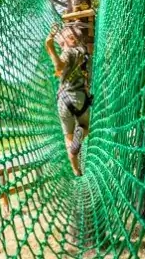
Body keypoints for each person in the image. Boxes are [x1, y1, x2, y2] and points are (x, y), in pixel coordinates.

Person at [45, 21, 92, 176]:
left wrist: (50, 47)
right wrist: (61, 42)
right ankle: (80, 135)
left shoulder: (69, 53)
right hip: (82, 99)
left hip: (65, 100)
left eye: (63, 38)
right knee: (85, 126)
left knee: (68, 139)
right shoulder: (84, 54)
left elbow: (59, 67)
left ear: (69, 39)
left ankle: (76, 170)